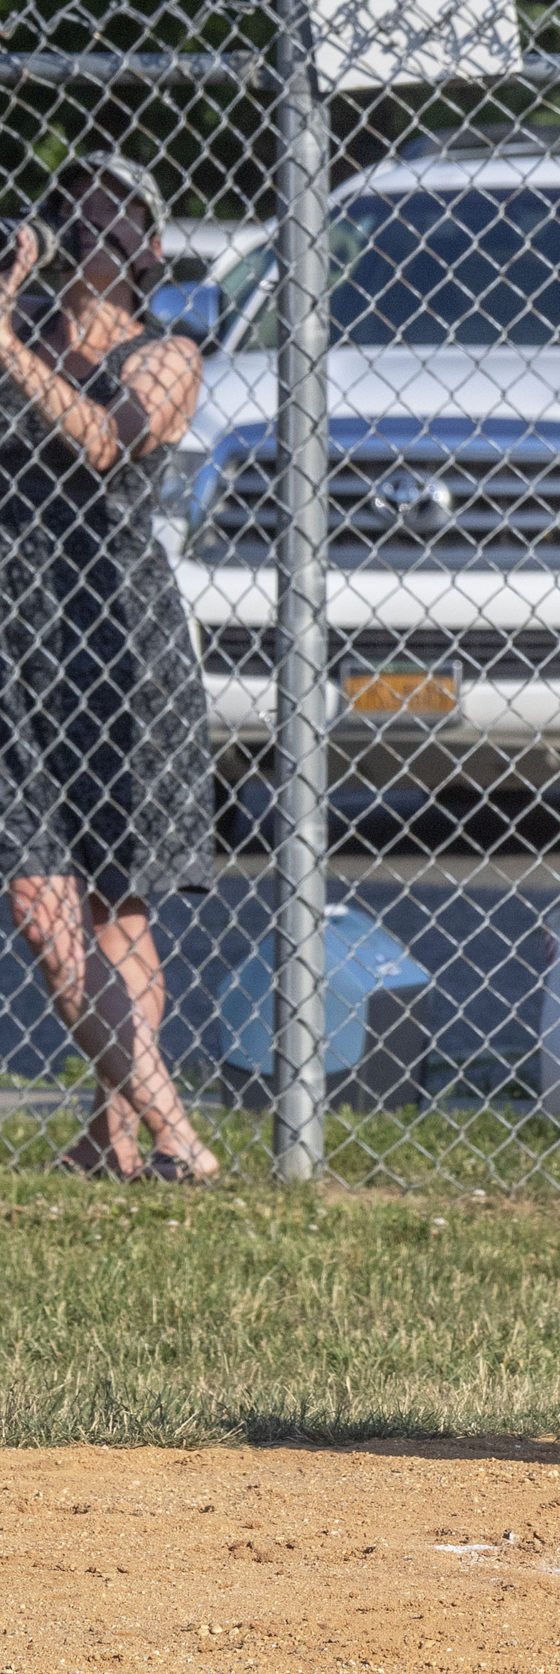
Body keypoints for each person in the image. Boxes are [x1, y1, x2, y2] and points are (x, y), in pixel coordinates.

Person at [0, 153, 219, 1183]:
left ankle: (119, 1130)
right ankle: (172, 1130)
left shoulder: (167, 351)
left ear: (150, 248)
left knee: (114, 906)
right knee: (43, 905)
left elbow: (105, 439)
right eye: (75, 219)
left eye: (115, 222)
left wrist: (4, 345)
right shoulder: (18, 332)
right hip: (12, 641)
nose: (92, 237)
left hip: (116, 648)